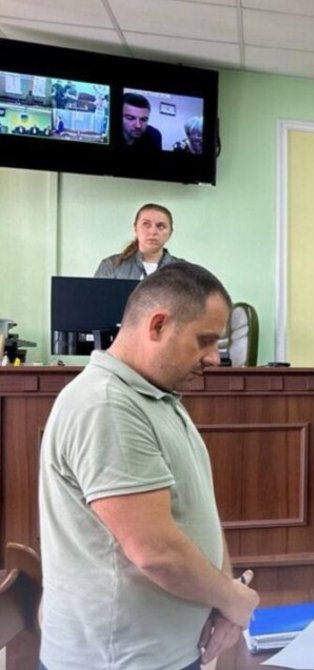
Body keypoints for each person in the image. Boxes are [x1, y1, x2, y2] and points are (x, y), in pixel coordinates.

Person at [38, 262, 259, 670]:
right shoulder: (107, 405)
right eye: (205, 341)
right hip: (121, 660)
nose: (214, 358)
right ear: (158, 325)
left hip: (165, 653)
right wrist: (235, 599)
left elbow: (197, 511)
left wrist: (222, 594)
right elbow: (156, 551)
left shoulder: (155, 395)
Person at [95, 203, 185, 279]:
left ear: (170, 233)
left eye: (161, 226)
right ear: (135, 228)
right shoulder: (111, 266)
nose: (153, 231)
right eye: (146, 224)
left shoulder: (185, 271)